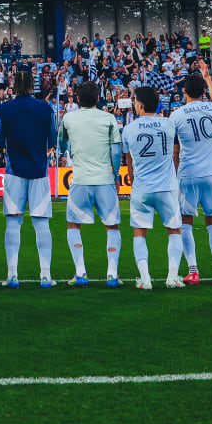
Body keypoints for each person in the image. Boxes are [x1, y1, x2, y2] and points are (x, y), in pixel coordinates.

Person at [57, 81, 123, 288]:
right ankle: (112, 274)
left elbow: (61, 142)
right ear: (98, 98)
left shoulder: (68, 118)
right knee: (112, 226)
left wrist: (66, 151)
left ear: (77, 99)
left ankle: (80, 272)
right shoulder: (109, 118)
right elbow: (116, 151)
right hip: (104, 180)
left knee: (73, 225)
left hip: (80, 180)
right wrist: (116, 176)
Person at [0, 67, 56, 289]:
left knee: (13, 222)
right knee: (41, 223)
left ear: (13, 86)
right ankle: (46, 275)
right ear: (32, 85)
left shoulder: (3, 109)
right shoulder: (45, 108)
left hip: (14, 171)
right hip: (39, 170)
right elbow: (53, 138)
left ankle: (12, 275)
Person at [170, 62, 212, 285]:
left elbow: (172, 146)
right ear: (203, 91)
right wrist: (207, 77)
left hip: (188, 172)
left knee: (186, 220)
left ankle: (193, 270)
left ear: (183, 91)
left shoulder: (176, 115)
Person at [122, 86, 184, 290]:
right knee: (174, 230)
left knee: (139, 232)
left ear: (139, 105)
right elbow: (176, 152)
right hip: (166, 186)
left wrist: (131, 179)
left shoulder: (129, 128)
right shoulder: (168, 124)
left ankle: (145, 278)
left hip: (142, 186)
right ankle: (173, 276)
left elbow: (128, 158)